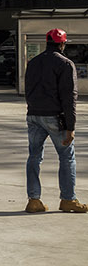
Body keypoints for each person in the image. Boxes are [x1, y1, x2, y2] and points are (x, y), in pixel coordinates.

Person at [24, 27, 83, 213]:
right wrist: (70, 126)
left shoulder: (33, 62)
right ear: (62, 43)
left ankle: (34, 200)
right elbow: (69, 97)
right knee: (67, 157)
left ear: (47, 42)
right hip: (55, 117)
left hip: (33, 115)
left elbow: (28, 90)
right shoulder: (65, 64)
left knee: (34, 157)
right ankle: (68, 199)